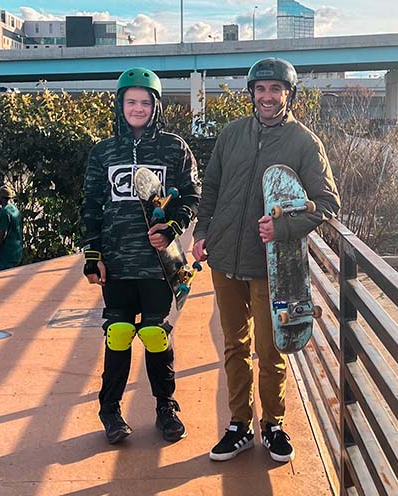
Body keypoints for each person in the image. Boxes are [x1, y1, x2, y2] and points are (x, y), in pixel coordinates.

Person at [192, 58, 340, 463]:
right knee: (233, 346)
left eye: (276, 90)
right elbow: (212, 188)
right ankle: (238, 424)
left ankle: (273, 423)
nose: (267, 97)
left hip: (270, 265)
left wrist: (285, 230)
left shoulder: (304, 142)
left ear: (289, 95)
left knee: (270, 347)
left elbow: (327, 202)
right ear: (252, 93)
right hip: (223, 259)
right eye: (261, 89)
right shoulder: (232, 134)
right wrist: (202, 233)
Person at [80, 67, 200, 444]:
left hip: (160, 265)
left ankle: (166, 407)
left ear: (156, 105)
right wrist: (92, 254)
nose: (137, 108)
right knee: (117, 334)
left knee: (154, 334)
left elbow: (193, 196)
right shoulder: (104, 151)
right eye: (131, 101)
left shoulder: (173, 147)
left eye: (145, 102)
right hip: (116, 262)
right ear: (120, 104)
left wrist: (172, 229)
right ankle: (110, 410)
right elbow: (91, 205)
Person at [0, 185, 23, 270]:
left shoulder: (4, 212)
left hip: (7, 253)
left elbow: (3, 233)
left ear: (1, 198)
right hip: (17, 250)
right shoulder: (15, 210)